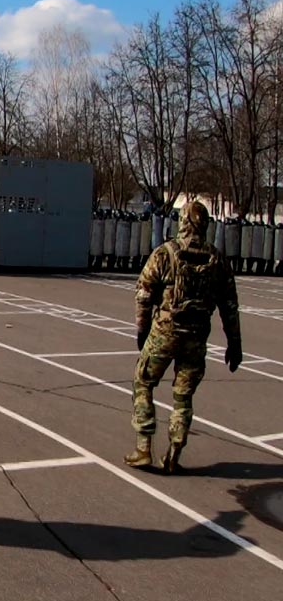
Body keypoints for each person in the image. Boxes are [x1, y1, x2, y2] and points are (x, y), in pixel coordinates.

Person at [126, 201, 242, 473]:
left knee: (143, 382)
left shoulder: (165, 253)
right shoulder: (218, 261)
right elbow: (230, 308)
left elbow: (143, 295)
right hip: (197, 337)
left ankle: (143, 447)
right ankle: (174, 454)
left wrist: (142, 331)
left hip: (165, 332)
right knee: (183, 395)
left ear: (183, 222)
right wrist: (235, 345)